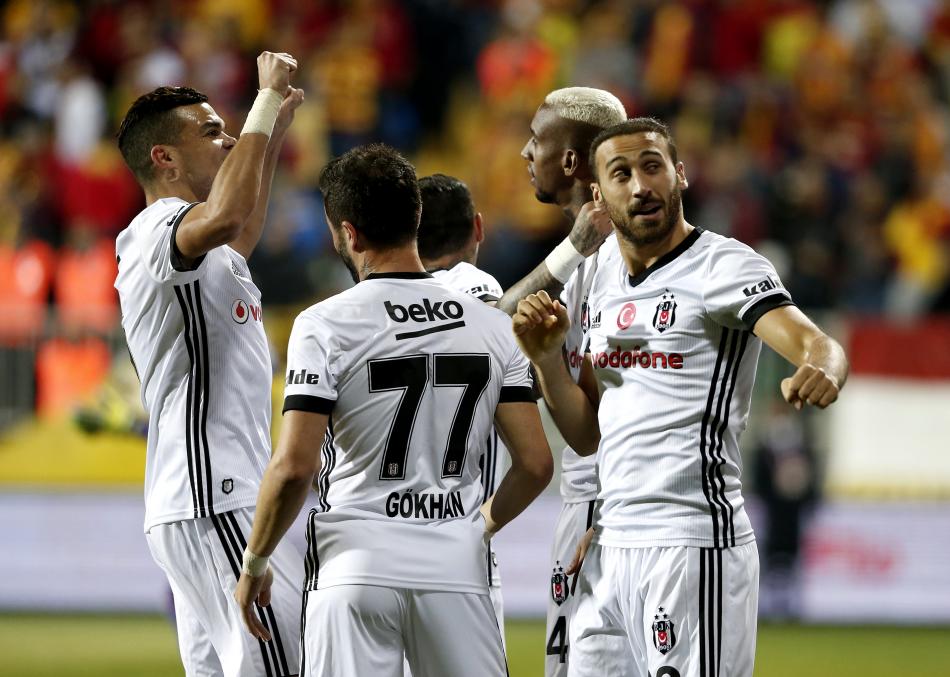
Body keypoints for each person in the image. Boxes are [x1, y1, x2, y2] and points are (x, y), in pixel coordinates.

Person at [513, 117, 849, 677]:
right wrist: (547, 360)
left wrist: (824, 367)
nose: (641, 185)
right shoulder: (599, 276)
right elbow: (589, 435)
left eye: (653, 166)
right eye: (621, 173)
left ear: (680, 175)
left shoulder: (723, 265)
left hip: (692, 544)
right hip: (609, 546)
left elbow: (816, 342)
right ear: (598, 193)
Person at [233, 144, 554, 677]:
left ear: (349, 234)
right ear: (415, 220)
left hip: (355, 562)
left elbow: (293, 467)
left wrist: (255, 562)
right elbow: (537, 464)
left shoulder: (324, 324)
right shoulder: (493, 326)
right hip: (456, 566)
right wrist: (476, 527)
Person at [114, 53, 305, 677]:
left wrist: (269, 133)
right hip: (214, 492)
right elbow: (226, 217)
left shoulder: (199, 248)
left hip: (201, 497)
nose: (226, 141)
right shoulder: (156, 228)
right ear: (164, 158)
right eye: (211, 132)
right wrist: (262, 103)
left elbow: (238, 231)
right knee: (279, 664)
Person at [496, 86, 627, 676]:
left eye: (536, 140)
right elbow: (492, 330)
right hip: (593, 498)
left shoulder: (617, 260)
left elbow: (594, 430)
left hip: (608, 502)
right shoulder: (585, 254)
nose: (526, 152)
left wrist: (611, 516)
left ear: (571, 160)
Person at [417, 173, 506, 640]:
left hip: (380, 541)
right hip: (459, 541)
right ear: (478, 228)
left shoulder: (377, 302)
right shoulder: (474, 284)